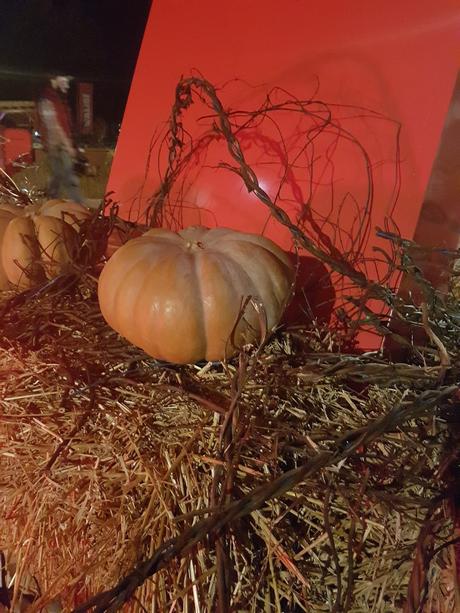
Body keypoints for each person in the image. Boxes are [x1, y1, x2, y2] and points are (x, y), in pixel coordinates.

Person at [37, 73, 84, 203]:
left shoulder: (59, 99)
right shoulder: (47, 99)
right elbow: (54, 125)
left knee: (59, 175)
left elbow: (65, 123)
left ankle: (51, 201)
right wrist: (68, 145)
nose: (67, 85)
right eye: (64, 80)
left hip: (59, 145)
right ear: (53, 79)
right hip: (57, 146)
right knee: (66, 175)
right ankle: (78, 205)